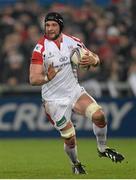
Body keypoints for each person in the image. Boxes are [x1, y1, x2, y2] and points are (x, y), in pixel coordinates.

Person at [29, 12, 124, 174]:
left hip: (74, 91)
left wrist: (93, 60)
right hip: (53, 100)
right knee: (70, 137)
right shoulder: (40, 48)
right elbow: (33, 79)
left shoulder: (73, 42)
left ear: (60, 26)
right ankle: (76, 164)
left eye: (53, 25)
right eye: (47, 25)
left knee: (99, 115)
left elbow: (95, 58)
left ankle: (102, 148)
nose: (50, 28)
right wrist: (47, 76)